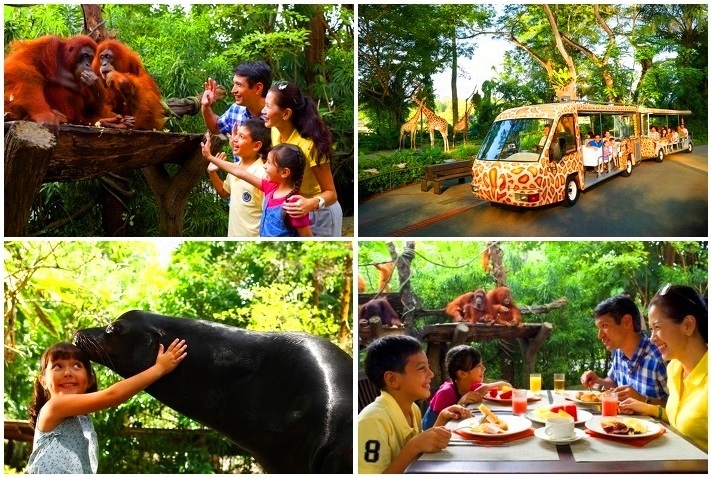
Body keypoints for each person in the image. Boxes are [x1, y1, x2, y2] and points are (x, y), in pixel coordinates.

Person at [26, 340, 187, 473]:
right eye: (58, 366)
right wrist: (159, 368)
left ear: (89, 380)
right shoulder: (54, 406)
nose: (68, 372)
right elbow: (112, 396)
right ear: (44, 381)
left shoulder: (82, 419)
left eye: (77, 366)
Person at [358, 335, 472, 473]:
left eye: (428, 366)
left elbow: (422, 447)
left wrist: (442, 419)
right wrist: (413, 446)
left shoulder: (413, 408)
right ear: (392, 379)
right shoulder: (373, 421)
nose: (431, 374)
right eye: (421, 368)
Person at [619, 284, 707, 452]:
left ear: (688, 325)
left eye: (657, 327)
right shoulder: (675, 368)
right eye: (651, 329)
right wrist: (648, 407)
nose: (652, 339)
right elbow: (684, 422)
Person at [262, 81, 343, 237]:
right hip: (296, 211)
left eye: (268, 107)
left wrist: (310, 203)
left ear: (286, 114)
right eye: (264, 105)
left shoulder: (310, 145)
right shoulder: (274, 131)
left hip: (321, 213)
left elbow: (331, 194)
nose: (263, 111)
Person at [202, 138, 313, 237]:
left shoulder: (295, 205)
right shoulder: (271, 188)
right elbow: (239, 171)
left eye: (269, 163)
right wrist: (210, 157)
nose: (264, 166)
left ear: (284, 172)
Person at [580, 294, 668, 406]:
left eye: (604, 326)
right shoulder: (618, 351)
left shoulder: (659, 357)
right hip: (622, 422)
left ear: (626, 322)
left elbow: (678, 409)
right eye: (599, 328)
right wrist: (598, 381)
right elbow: (614, 382)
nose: (600, 335)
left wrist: (642, 400)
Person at [205, 119, 270, 237]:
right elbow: (224, 192)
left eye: (241, 136)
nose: (234, 139)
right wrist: (212, 173)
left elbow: (268, 215)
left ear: (256, 145)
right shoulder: (235, 168)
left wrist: (209, 157)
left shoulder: (262, 175)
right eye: (237, 135)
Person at [421, 345, 510, 429]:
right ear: (462, 374)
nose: (484, 368)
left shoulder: (473, 386)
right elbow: (437, 427)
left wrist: (485, 388)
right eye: (478, 366)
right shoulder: (445, 393)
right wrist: (460, 404)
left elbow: (507, 385)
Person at [201, 61, 272, 136]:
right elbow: (216, 127)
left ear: (258, 88)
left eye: (239, 85)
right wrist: (206, 106)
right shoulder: (236, 109)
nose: (233, 90)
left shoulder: (278, 114)